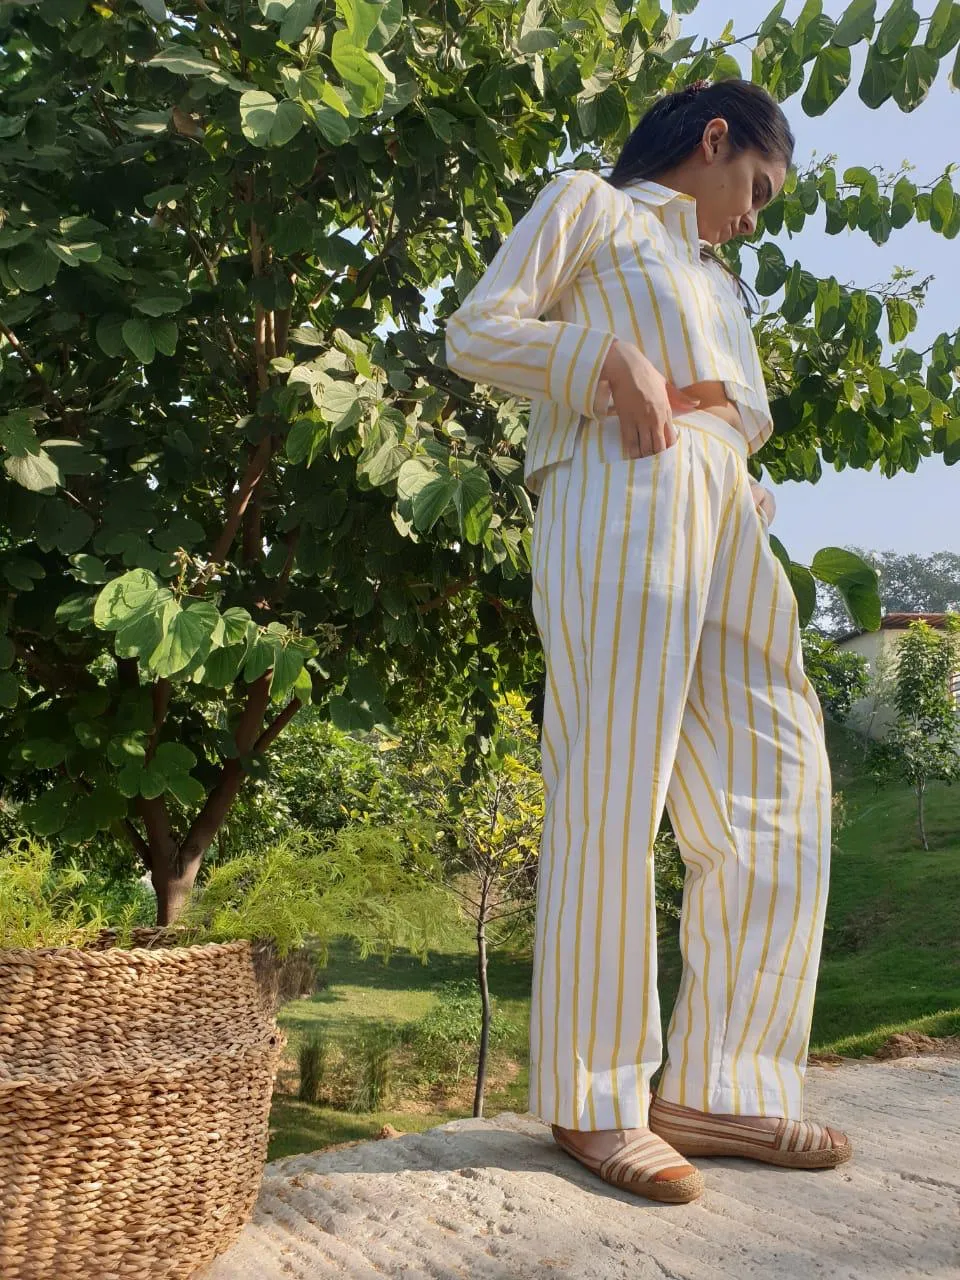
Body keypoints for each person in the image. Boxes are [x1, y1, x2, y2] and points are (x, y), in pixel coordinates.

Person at [444, 78, 853, 1204]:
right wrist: (600, 364)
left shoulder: (721, 284)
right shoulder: (594, 206)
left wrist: (746, 484)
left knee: (782, 786)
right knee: (615, 786)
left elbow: (731, 411)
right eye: (758, 187)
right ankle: (596, 1099)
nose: (756, 216)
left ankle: (722, 1082)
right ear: (714, 139)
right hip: (620, 489)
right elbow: (474, 331)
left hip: (727, 511)